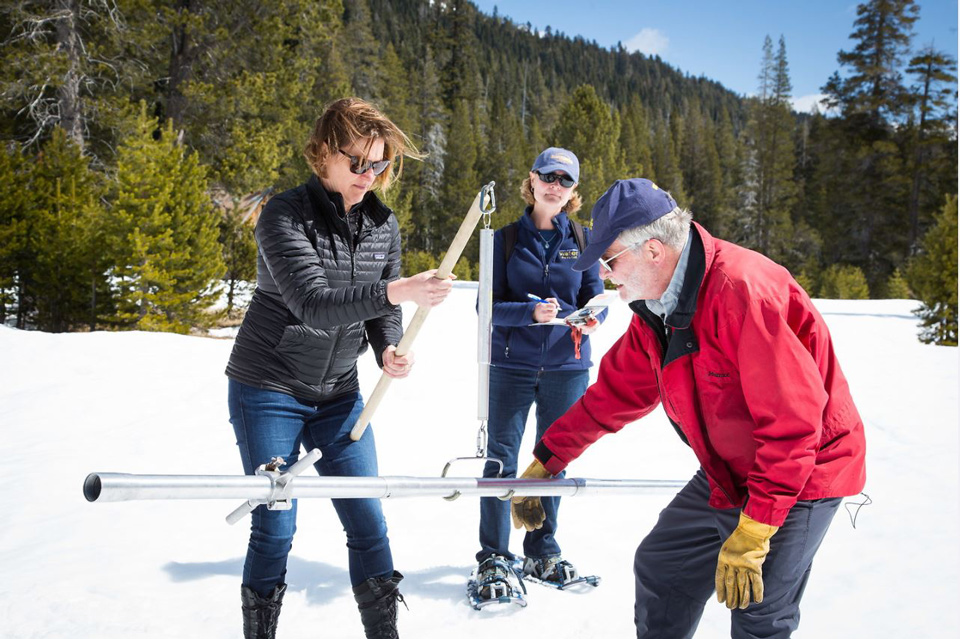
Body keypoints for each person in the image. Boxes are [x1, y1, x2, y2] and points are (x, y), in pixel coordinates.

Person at [511, 178, 867, 638]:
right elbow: (615, 393)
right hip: (729, 465)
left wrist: (756, 531)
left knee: (759, 608)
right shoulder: (658, 307)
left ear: (654, 251)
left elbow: (793, 427)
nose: (605, 274)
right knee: (664, 567)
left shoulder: (744, 293)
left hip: (802, 470)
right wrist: (547, 460)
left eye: (610, 260)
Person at [224, 97, 453, 639]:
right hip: (268, 387)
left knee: (368, 520)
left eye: (380, 165)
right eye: (358, 163)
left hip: (339, 393)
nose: (369, 177)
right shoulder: (284, 215)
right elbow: (313, 302)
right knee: (277, 523)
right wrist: (397, 288)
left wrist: (388, 347)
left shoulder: (382, 224)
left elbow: (382, 312)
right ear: (323, 153)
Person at [474, 147, 606, 603]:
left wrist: (590, 319)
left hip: (567, 368)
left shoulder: (585, 240)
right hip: (511, 367)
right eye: (547, 176)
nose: (555, 185)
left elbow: (597, 302)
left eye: (564, 180)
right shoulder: (504, 239)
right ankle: (494, 555)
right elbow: (485, 308)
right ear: (531, 180)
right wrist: (530, 312)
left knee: (553, 459)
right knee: (500, 461)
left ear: (572, 191)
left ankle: (541, 551)